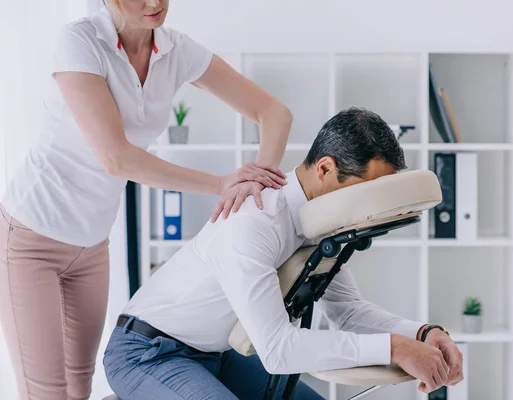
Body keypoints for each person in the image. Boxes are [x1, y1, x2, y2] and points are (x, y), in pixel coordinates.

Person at [0, 1, 293, 399]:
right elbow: (116, 157)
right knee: (47, 392)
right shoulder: (80, 42)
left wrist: (257, 181)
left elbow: (274, 112)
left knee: (79, 386)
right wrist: (222, 184)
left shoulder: (176, 51)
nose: (154, 3)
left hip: (91, 245)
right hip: (30, 238)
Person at [103, 108, 464, 400]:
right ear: (326, 168)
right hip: (149, 353)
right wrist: (394, 348)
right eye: (362, 192)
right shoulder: (254, 223)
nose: (365, 208)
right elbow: (278, 350)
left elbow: (348, 311)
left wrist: (423, 333)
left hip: (215, 354)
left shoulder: (321, 224)